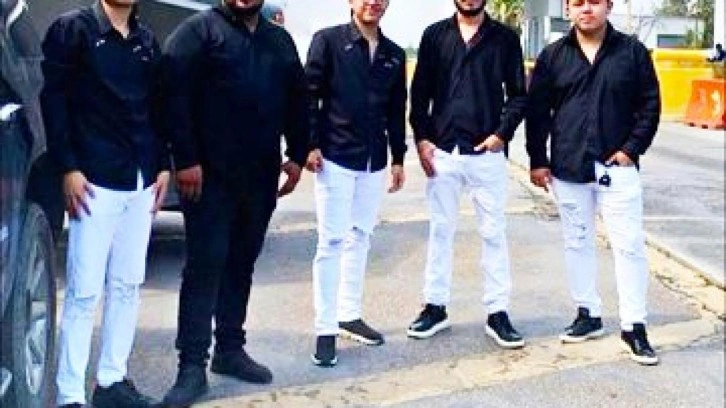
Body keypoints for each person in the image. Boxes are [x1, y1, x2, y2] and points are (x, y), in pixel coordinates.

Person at [160, 0, 308, 405]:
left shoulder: (279, 41)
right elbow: (172, 97)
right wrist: (184, 159)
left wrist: (297, 154)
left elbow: (298, 98)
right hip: (208, 178)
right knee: (205, 266)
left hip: (259, 175)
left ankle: (229, 349)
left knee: (242, 263)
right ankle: (191, 366)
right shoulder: (197, 32)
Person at [40, 0, 170, 407]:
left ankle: (112, 381)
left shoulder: (146, 40)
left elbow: (157, 107)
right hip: (93, 181)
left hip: (141, 180)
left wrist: (163, 164)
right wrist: (68, 166)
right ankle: (70, 394)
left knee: (127, 285)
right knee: (83, 291)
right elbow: (54, 101)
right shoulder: (73, 30)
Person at [526, 0, 660, 366]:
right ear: (567, 9)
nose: (587, 9)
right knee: (577, 242)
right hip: (568, 167)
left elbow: (650, 105)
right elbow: (537, 112)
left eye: (595, 2)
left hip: (617, 168)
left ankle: (634, 326)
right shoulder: (553, 56)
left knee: (629, 246)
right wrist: (538, 159)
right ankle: (588, 313)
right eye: (578, 3)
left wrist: (631, 149)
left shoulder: (632, 52)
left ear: (609, 6)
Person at [407, 0, 527, 349]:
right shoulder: (434, 36)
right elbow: (420, 94)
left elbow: (518, 95)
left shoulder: (505, 38)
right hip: (443, 150)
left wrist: (501, 134)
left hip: (486, 152)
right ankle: (435, 306)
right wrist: (422, 138)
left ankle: (497, 312)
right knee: (440, 230)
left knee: (493, 232)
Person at [305, 0, 407, 367]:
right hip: (334, 156)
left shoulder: (394, 54)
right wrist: (309, 145)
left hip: (373, 160)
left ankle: (348, 313)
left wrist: (398, 157)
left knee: (360, 236)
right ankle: (325, 328)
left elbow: (396, 109)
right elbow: (309, 96)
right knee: (331, 241)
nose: (373, 2)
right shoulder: (328, 42)